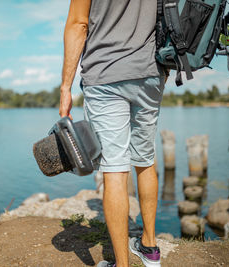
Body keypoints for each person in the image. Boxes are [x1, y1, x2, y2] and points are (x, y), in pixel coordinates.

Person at [59, 1, 166, 266]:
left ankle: (122, 264)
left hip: (105, 72)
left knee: (115, 169)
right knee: (145, 158)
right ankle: (150, 248)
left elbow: (78, 23)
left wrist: (65, 87)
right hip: (150, 72)